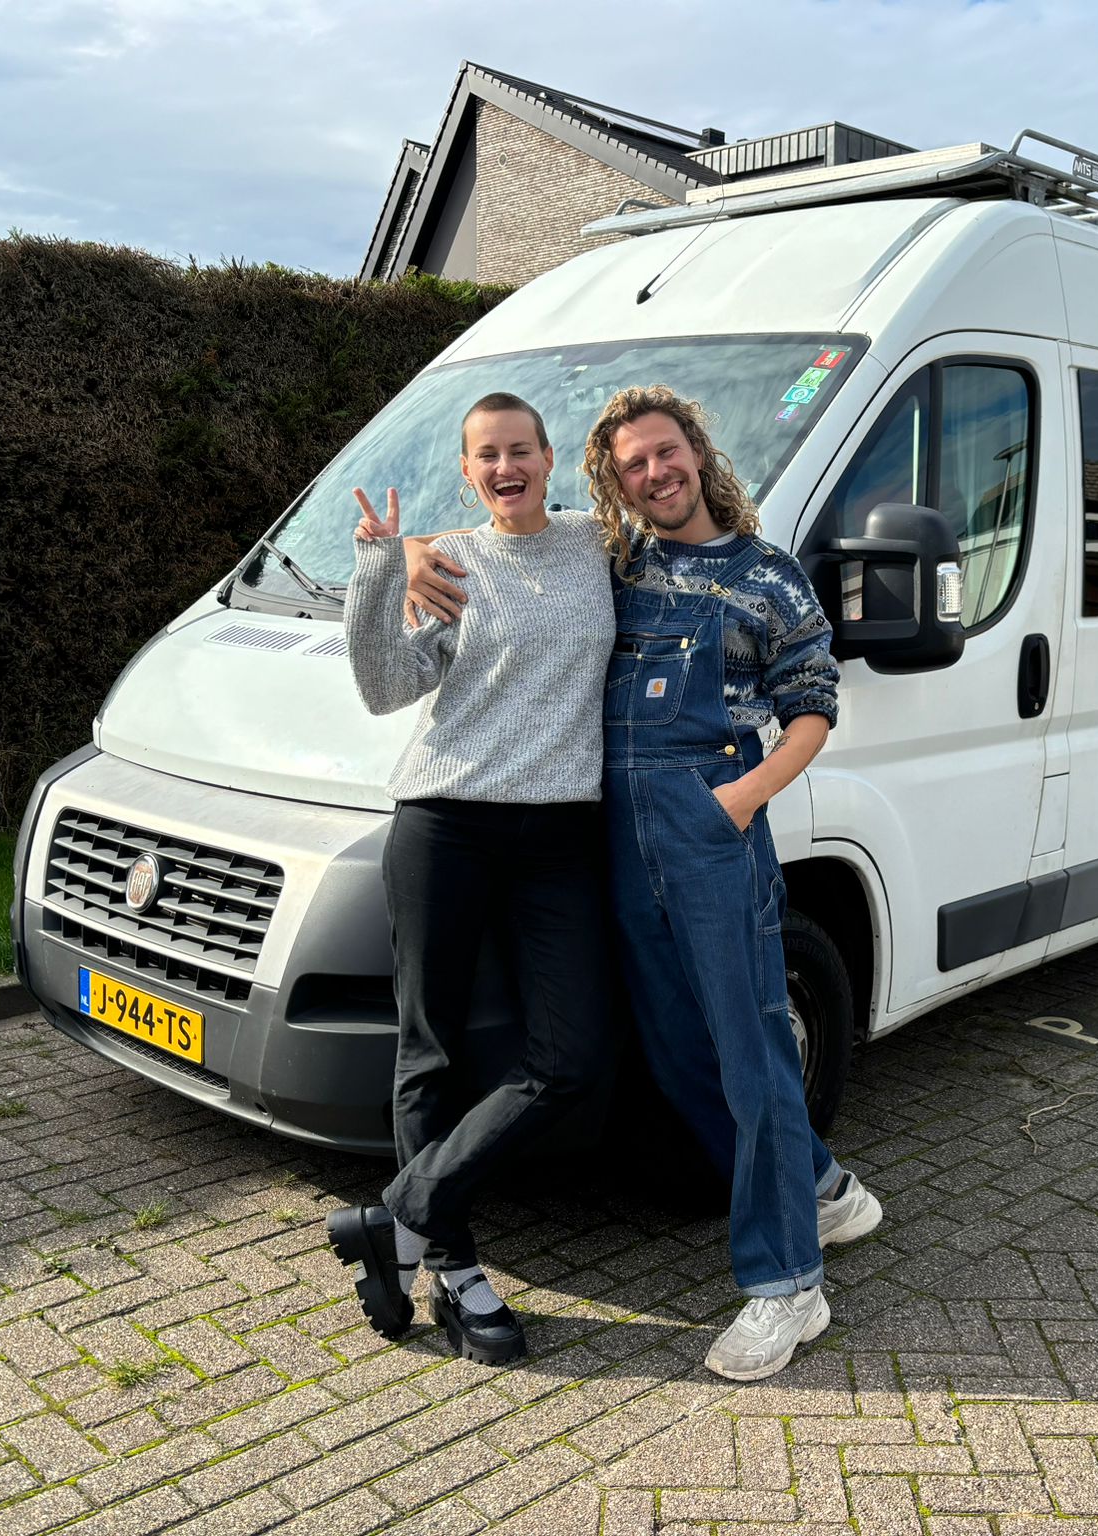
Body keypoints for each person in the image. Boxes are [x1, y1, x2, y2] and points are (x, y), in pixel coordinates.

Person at [408, 386, 883, 1381]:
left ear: (697, 454)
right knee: (676, 1053)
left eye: (666, 453)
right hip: (615, 833)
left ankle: (788, 1284)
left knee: (752, 1049)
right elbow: (505, 534)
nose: (655, 473)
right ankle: (823, 1189)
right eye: (633, 464)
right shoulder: (614, 561)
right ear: (614, 483)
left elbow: (813, 706)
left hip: (711, 826)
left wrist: (739, 801)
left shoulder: (767, 575)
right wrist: (412, 553)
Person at [324, 391, 617, 1366]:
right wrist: (383, 564)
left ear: (549, 458)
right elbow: (383, 690)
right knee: (433, 1050)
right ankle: (454, 1268)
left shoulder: (598, 546)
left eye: (520, 450)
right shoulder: (447, 561)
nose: (505, 467)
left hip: (557, 833)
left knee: (572, 1058)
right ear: (467, 472)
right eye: (486, 455)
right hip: (444, 824)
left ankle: (398, 1219)